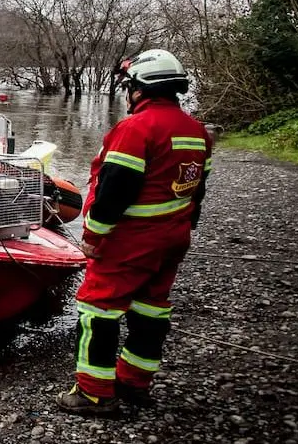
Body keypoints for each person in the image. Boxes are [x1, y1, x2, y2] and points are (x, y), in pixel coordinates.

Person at [55, 49, 213, 417]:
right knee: (151, 308)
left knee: (98, 309)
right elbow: (196, 191)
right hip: (172, 238)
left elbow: (114, 191)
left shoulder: (136, 129)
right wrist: (184, 229)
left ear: (140, 88)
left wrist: (93, 236)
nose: (127, 94)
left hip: (130, 240)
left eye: (129, 87)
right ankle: (134, 382)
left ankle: (94, 393)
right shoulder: (197, 131)